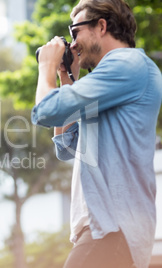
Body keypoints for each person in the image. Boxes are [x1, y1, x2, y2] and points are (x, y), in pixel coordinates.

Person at [31, 0, 162, 267]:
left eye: (75, 32)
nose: (73, 44)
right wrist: (66, 78)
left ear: (101, 26)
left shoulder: (128, 64)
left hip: (112, 229)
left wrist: (44, 67)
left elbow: (45, 111)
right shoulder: (108, 81)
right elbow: (67, 147)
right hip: (103, 231)